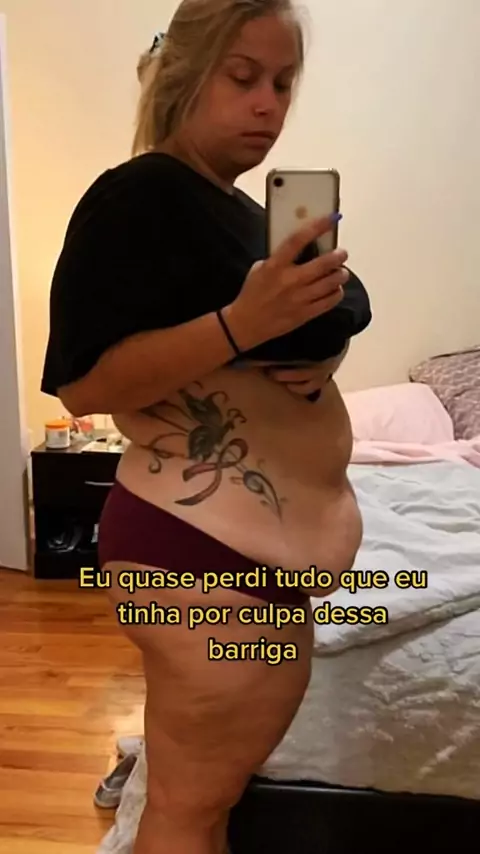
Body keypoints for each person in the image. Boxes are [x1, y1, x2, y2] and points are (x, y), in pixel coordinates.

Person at [41, 1, 371, 852]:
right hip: (201, 559)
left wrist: (322, 350)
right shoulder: (137, 196)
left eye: (284, 83)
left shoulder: (231, 208)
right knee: (189, 807)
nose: (269, 103)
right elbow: (83, 383)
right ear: (188, 75)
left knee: (201, 802)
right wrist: (240, 325)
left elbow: (330, 311)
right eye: (244, 77)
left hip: (235, 563)